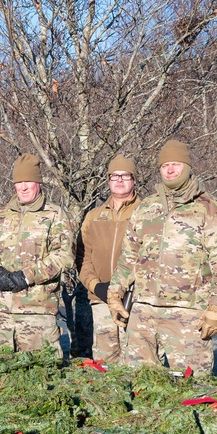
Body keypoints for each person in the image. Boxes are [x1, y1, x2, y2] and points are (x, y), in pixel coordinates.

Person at [108, 140, 217, 372]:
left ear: (187, 167)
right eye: (165, 165)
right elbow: (128, 257)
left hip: (187, 314)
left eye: (175, 164)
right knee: (139, 384)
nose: (169, 170)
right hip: (143, 312)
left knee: (192, 386)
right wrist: (114, 293)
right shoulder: (146, 208)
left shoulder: (210, 210)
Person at [0, 153, 74, 355]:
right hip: (1, 314)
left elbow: (64, 256)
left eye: (28, 181)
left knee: (39, 376)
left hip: (37, 313)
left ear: (38, 182)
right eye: (19, 182)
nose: (23, 187)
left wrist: (27, 276)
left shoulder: (54, 215)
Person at [77, 154, 141, 364]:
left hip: (136, 300)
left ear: (134, 180)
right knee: (105, 363)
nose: (120, 180)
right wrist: (97, 286)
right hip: (101, 300)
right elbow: (82, 258)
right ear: (108, 180)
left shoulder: (147, 213)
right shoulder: (94, 216)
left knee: (138, 361)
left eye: (125, 175)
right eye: (114, 176)